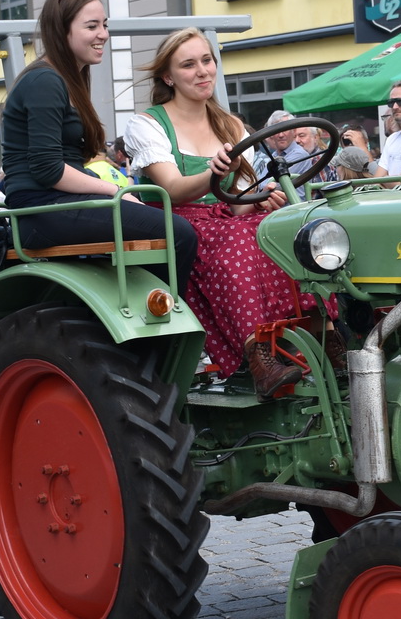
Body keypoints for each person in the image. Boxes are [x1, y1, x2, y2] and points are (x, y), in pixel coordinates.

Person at [122, 27, 332, 399]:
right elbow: (172, 188)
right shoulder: (148, 124)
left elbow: (237, 204)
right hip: (177, 220)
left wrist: (261, 199)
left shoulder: (230, 124)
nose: (202, 71)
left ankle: (325, 335)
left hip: (223, 220)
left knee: (289, 229)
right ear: (168, 77)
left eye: (207, 60)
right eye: (189, 65)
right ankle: (257, 352)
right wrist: (214, 173)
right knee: (237, 236)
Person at [0, 0, 199, 301]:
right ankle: (161, 317)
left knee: (165, 222)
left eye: (104, 25)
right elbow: (47, 169)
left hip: (54, 204)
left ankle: (151, 308)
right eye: (91, 26)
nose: (103, 34)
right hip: (41, 209)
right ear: (61, 30)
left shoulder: (65, 78)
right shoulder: (44, 80)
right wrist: (116, 190)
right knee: (179, 233)